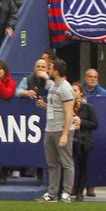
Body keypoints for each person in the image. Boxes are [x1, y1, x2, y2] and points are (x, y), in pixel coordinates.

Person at [40, 57, 74, 202]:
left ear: (56, 71)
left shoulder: (65, 88)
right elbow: (55, 107)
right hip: (50, 128)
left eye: (51, 67)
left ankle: (66, 192)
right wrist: (44, 105)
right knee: (52, 163)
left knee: (66, 162)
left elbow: (69, 112)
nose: (49, 69)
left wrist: (65, 134)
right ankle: (52, 192)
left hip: (61, 129)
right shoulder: (54, 86)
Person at [69, 83, 98, 203]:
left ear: (81, 93)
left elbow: (95, 124)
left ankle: (80, 192)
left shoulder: (88, 107)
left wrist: (81, 122)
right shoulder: (67, 105)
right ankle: (65, 190)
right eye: (71, 90)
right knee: (67, 165)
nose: (73, 92)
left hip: (83, 140)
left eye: (75, 90)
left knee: (82, 167)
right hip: (70, 139)